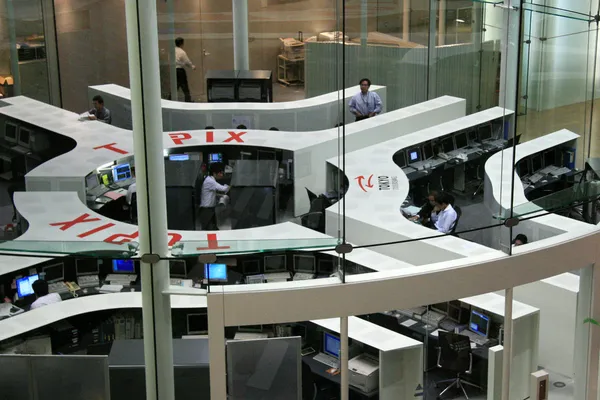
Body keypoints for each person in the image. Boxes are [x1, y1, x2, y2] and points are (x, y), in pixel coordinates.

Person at [200, 162, 230, 230]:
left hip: (210, 209)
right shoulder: (210, 181)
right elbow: (223, 188)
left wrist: (221, 195)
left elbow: (212, 193)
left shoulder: (210, 180)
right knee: (208, 230)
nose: (221, 175)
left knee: (214, 229)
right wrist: (231, 186)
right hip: (206, 210)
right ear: (214, 173)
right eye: (220, 173)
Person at [175, 37, 195, 102]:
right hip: (180, 71)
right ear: (182, 44)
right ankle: (188, 101)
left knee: (175, 87)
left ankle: (170, 100)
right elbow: (187, 61)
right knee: (185, 87)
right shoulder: (182, 52)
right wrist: (192, 66)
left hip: (174, 71)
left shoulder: (172, 51)